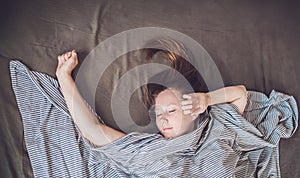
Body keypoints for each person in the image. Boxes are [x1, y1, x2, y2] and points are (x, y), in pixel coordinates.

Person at [56, 49, 248, 146]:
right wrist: (63, 77)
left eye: (172, 110)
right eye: (158, 114)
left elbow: (240, 94)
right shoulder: (149, 148)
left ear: (194, 111)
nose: (163, 119)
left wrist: (207, 99)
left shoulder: (214, 132)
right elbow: (92, 130)